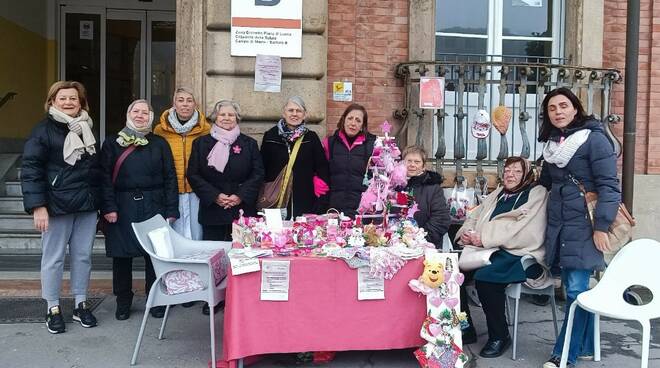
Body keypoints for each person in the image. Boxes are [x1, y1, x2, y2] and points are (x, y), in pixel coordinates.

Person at [538, 88, 620, 368]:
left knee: (574, 292)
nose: (558, 111)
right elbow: (547, 183)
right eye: (552, 108)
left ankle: (564, 355)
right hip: (561, 225)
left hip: (586, 225)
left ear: (576, 109)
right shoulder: (552, 144)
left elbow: (609, 186)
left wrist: (602, 226)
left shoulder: (595, 140)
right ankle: (585, 345)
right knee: (579, 290)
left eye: (564, 105)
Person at [21, 80, 101, 333]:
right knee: (54, 259)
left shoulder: (86, 128)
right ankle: (53, 307)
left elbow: (94, 169)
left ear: (81, 103)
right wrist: (38, 206)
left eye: (73, 99)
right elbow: (31, 169)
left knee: (83, 257)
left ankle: (80, 304)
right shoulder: (43, 130)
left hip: (86, 205)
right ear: (52, 102)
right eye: (62, 98)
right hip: (56, 205)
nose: (68, 102)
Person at [455, 156, 549, 358]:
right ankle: (465, 328)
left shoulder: (536, 193)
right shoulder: (499, 193)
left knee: (486, 278)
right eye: (507, 170)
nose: (510, 175)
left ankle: (500, 336)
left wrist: (485, 238)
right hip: (491, 251)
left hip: (521, 254)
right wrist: (467, 232)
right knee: (454, 275)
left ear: (526, 174)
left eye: (516, 171)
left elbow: (527, 231)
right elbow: (476, 215)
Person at [100, 99, 179, 320]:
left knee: (153, 255)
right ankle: (123, 301)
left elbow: (170, 177)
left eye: (145, 112)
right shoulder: (112, 143)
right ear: (128, 114)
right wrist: (108, 207)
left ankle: (155, 300)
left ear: (151, 117)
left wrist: (171, 210)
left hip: (154, 204)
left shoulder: (160, 143)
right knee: (121, 256)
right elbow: (103, 178)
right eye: (136, 111)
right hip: (121, 204)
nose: (140, 115)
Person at [187, 99, 264, 314]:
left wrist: (240, 196)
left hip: (240, 209)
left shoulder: (248, 144)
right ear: (215, 117)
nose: (227, 118)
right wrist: (215, 195)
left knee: (241, 255)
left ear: (237, 118)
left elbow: (258, 174)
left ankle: (239, 296)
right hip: (213, 207)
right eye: (223, 115)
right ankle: (212, 297)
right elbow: (192, 174)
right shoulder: (201, 143)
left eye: (231, 115)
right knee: (213, 255)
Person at [154, 87, 210, 240]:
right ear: (174, 104)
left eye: (189, 100)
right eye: (180, 100)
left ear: (195, 104)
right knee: (173, 235)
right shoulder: (160, 130)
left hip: (196, 190)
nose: (185, 104)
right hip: (171, 190)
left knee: (197, 234)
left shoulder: (206, 129)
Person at [260, 96, 329, 218]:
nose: (294, 114)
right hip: (275, 197)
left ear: (304, 115)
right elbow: (262, 168)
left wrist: (321, 197)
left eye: (299, 111)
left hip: (304, 197)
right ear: (284, 113)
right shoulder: (271, 136)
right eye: (291, 110)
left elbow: (322, 168)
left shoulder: (311, 138)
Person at [322, 103, 376, 217]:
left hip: (361, 209)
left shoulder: (372, 145)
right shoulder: (330, 143)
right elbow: (320, 170)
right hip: (334, 207)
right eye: (350, 118)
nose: (353, 123)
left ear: (362, 125)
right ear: (343, 120)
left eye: (358, 120)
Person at [401, 146, 451, 248]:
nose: (412, 165)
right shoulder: (393, 186)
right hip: (395, 245)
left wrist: (420, 239)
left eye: (417, 162)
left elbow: (441, 219)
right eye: (409, 161)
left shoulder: (433, 188)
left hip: (425, 245)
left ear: (423, 166)